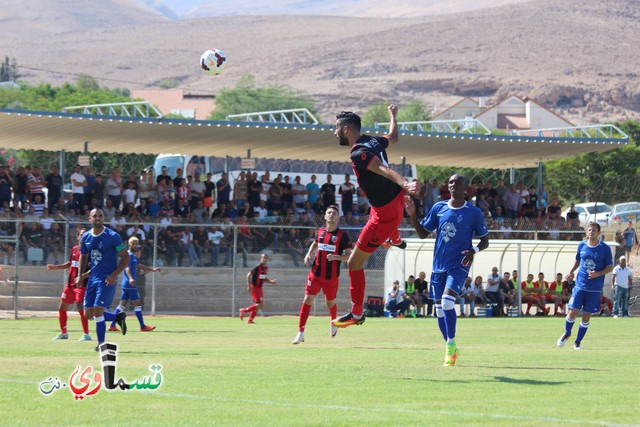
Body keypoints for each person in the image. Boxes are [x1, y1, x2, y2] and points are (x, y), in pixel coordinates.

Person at [330, 105, 419, 331]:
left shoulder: (358, 152)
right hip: (395, 201)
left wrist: (405, 183)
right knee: (376, 213)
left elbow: (382, 169)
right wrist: (393, 116)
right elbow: (394, 137)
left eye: (336, 128)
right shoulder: (374, 140)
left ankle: (357, 313)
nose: (334, 132)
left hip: (386, 212)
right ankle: (395, 240)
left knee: (354, 263)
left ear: (346, 129)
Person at [406, 173, 489, 366]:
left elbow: (485, 241)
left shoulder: (473, 212)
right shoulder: (439, 208)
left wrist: (473, 250)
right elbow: (422, 234)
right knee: (439, 311)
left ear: (465, 189)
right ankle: (450, 346)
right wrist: (411, 215)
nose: (453, 185)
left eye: (457, 183)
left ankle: (450, 346)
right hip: (438, 267)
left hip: (459, 265)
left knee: (448, 303)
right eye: (450, 182)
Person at [292, 205, 352, 344]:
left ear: (338, 217)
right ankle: (300, 333)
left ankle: (333, 322)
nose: (331, 214)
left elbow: (349, 255)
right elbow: (315, 243)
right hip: (315, 274)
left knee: (329, 302)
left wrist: (336, 257)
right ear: (325, 216)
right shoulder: (320, 232)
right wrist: (309, 253)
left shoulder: (342, 236)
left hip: (331, 278)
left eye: (334, 213)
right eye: (329, 212)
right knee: (307, 300)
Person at [76, 208, 129, 351]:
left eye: (100, 215)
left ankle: (101, 345)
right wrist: (80, 275)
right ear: (89, 219)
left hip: (106, 279)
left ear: (103, 218)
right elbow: (83, 256)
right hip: (92, 279)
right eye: (95, 216)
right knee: (88, 315)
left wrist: (114, 274)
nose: (98, 218)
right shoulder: (86, 237)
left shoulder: (112, 236)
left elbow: (125, 257)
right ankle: (117, 318)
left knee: (98, 312)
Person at [557, 222, 614, 350]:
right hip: (580, 286)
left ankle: (577, 342)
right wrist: (571, 272)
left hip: (594, 289)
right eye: (589, 230)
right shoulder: (582, 245)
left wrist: (598, 273)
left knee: (586, 316)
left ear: (598, 233)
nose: (591, 232)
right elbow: (578, 260)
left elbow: (610, 267)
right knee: (572, 312)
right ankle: (567, 333)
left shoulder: (604, 248)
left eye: (594, 230)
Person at [48, 227, 92, 341]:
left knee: (80, 306)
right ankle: (64, 333)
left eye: (85, 234)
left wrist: (81, 277)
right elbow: (70, 263)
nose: (82, 236)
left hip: (81, 285)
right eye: (81, 234)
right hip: (70, 284)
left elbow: (93, 269)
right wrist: (55, 267)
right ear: (78, 237)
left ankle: (86, 334)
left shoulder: (90, 251)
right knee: (62, 308)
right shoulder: (74, 249)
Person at [108, 236, 160, 332]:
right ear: (129, 244)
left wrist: (153, 270)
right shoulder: (129, 255)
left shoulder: (132, 256)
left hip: (126, 284)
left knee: (122, 306)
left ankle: (112, 325)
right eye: (134, 243)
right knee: (137, 304)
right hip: (130, 284)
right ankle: (142, 326)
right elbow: (126, 267)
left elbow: (140, 266)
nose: (136, 245)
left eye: (137, 243)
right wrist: (131, 278)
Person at [239, 253, 278, 324]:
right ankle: (244, 310)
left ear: (267, 259)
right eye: (263, 258)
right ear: (261, 259)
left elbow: (263, 278)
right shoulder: (257, 267)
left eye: (266, 258)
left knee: (257, 305)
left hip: (260, 288)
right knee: (260, 304)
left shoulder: (266, 268)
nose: (264, 259)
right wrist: (248, 286)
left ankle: (250, 320)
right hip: (255, 287)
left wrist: (271, 282)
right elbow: (248, 275)